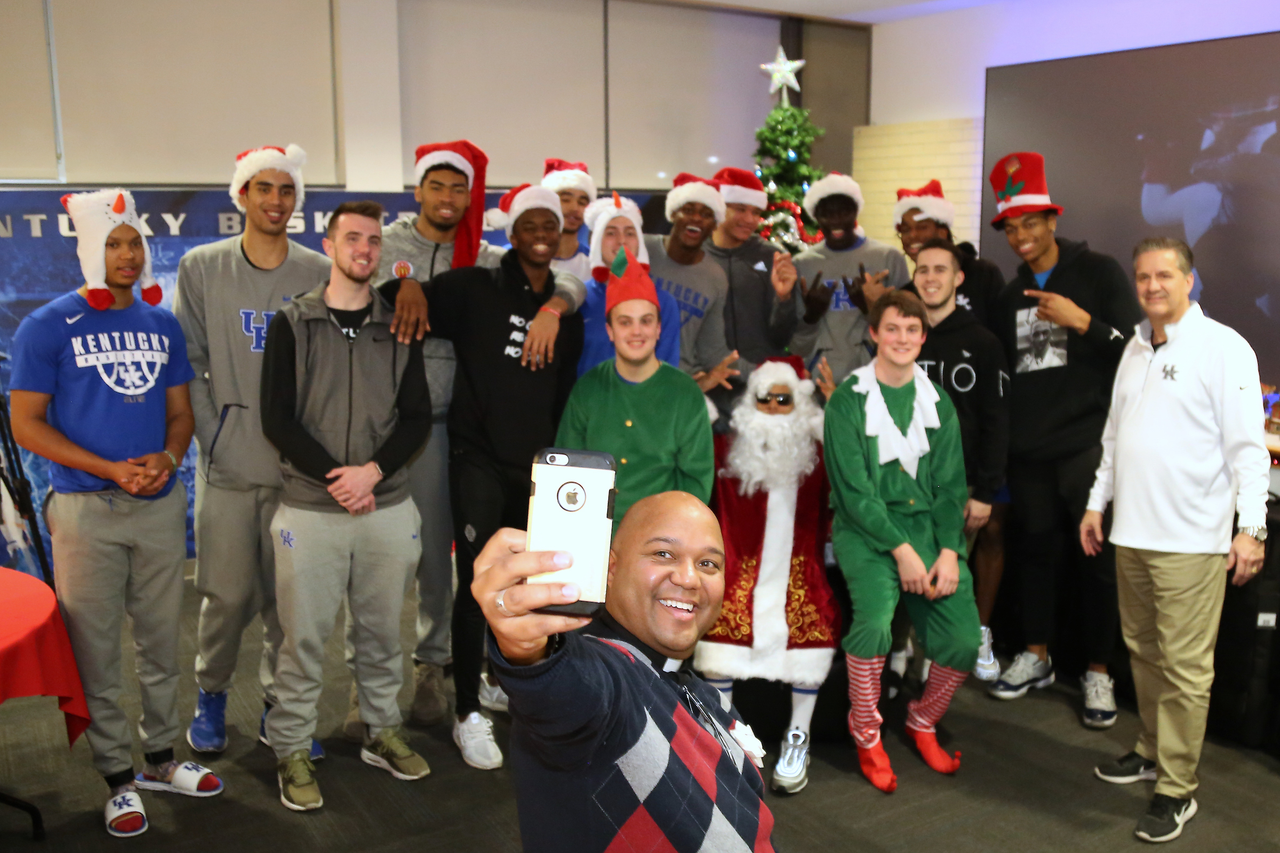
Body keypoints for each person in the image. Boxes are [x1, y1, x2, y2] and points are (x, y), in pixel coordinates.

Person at [176, 144, 424, 758]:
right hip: (234, 467)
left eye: (287, 190)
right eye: (264, 188)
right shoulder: (202, 266)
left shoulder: (320, 266)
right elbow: (192, 363)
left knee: (291, 614)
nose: (275, 200)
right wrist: (218, 439)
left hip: (305, 480)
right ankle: (210, 695)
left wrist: (411, 285)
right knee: (227, 596)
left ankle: (276, 708)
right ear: (242, 195)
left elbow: (373, 285)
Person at [347, 141, 582, 735]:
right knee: (385, 559)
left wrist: (557, 302)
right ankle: (370, 693)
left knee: (451, 565)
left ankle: (451, 668)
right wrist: (405, 281)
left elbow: (575, 284)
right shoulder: (406, 250)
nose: (449, 199)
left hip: (456, 423)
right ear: (419, 190)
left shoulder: (482, 256)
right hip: (391, 423)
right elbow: (375, 280)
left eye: (461, 189)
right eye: (439, 187)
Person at [10, 189, 222, 838]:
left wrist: (169, 454)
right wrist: (109, 469)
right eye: (113, 243)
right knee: (96, 651)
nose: (128, 254)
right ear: (87, 249)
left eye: (134, 242)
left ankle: (159, 758)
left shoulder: (163, 324)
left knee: (162, 642)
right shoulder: (46, 326)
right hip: (83, 510)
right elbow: (26, 424)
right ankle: (116, 776)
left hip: (158, 506)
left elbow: (181, 412)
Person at [1082, 237, 1270, 844]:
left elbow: (1248, 450)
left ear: (1190, 280)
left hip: (1193, 540)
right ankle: (1149, 748)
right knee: (1144, 652)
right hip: (1131, 533)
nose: (1152, 286)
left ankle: (1177, 788)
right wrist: (1095, 503)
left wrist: (1251, 529)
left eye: (1165, 275)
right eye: (1143, 276)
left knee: (1187, 668)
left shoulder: (1224, 348)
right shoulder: (1135, 347)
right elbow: (1114, 438)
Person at [471, 492, 777, 852]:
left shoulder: (699, 691)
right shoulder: (608, 677)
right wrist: (526, 651)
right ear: (610, 569)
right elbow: (569, 691)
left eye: (709, 564)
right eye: (664, 554)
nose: (689, 578)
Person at [257, 200, 432, 810]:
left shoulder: (399, 324)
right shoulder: (293, 323)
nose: (365, 249)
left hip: (387, 508)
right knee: (302, 639)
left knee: (385, 632)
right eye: (352, 238)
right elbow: (277, 417)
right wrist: (340, 479)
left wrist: (373, 474)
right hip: (312, 509)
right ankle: (292, 748)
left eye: (374, 241)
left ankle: (379, 728)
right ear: (330, 246)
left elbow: (415, 419)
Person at [410, 184, 584, 771]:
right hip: (477, 459)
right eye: (529, 224)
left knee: (529, 585)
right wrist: (408, 283)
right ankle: (466, 712)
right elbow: (399, 297)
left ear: (561, 237)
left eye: (550, 226)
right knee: (477, 581)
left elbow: (560, 398)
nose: (540, 234)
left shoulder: (566, 311)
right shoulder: (473, 288)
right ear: (511, 233)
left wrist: (556, 307)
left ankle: (503, 681)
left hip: (536, 469)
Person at [987, 152, 1143, 729]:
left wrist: (1083, 322)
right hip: (1030, 453)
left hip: (1087, 448)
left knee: (1096, 564)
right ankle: (1037, 655)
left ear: (1052, 220)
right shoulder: (1009, 297)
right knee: (1036, 556)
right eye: (1011, 227)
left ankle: (1099, 670)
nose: (1022, 236)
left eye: (1031, 223)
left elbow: (1138, 350)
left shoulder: (1098, 272)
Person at [825, 289, 980, 794]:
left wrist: (951, 551)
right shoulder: (848, 401)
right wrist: (902, 550)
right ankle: (866, 731)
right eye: (892, 328)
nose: (902, 338)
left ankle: (922, 720)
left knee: (962, 638)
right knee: (873, 624)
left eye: (912, 330)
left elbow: (952, 486)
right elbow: (853, 494)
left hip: (931, 534)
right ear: (874, 334)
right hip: (867, 532)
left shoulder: (939, 401)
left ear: (923, 336)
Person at [695, 356, 840, 794]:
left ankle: (799, 735)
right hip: (740, 572)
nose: (775, 408)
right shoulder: (728, 453)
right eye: (766, 399)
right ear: (750, 402)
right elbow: (690, 425)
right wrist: (698, 390)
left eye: (784, 399)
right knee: (719, 631)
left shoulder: (819, 456)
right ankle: (722, 733)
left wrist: (836, 409)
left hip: (801, 574)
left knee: (814, 624)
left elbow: (855, 459)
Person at [556, 246, 713, 529]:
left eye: (646, 321)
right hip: (592, 531)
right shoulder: (588, 388)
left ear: (658, 329)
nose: (637, 331)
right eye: (625, 322)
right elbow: (567, 470)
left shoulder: (685, 393)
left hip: (661, 534)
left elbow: (696, 483)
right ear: (610, 331)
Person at [913, 239, 1009, 681]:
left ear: (958, 279)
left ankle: (938, 674)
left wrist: (986, 492)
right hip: (906, 484)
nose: (930, 278)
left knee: (947, 579)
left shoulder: (983, 343)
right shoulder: (904, 336)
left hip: (958, 486)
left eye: (940, 270)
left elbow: (996, 421)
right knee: (905, 577)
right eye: (922, 270)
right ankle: (901, 668)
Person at [792, 172, 910, 385]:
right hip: (822, 380)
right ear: (815, 217)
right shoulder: (803, 264)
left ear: (856, 212)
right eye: (827, 214)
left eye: (844, 212)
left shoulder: (887, 258)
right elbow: (797, 345)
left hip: (876, 377)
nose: (836, 221)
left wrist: (870, 309)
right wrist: (811, 316)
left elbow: (908, 329)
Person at [645, 173, 740, 393]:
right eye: (688, 210)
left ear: (715, 225)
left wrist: (764, 371)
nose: (697, 218)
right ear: (673, 214)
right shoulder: (641, 249)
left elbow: (711, 349)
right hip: (629, 379)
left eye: (706, 214)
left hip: (677, 387)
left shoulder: (715, 278)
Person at [705, 166, 801, 371]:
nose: (750, 220)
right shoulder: (697, 255)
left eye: (756, 212)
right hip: (709, 381)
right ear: (719, 207)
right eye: (740, 209)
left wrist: (784, 300)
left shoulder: (771, 257)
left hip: (761, 382)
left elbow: (781, 337)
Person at [575, 192, 682, 376]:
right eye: (610, 232)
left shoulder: (663, 302)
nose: (622, 240)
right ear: (595, 242)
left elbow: (666, 372)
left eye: (630, 233)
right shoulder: (579, 298)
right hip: (586, 401)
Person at [895, 180, 1005, 328]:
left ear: (942, 233)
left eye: (921, 227)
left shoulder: (983, 274)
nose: (912, 236)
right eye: (906, 229)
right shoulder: (907, 294)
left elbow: (1002, 337)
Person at [541, 157, 594, 283]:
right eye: (565, 200)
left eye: (582, 202)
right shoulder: (513, 257)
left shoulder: (595, 266)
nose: (575, 208)